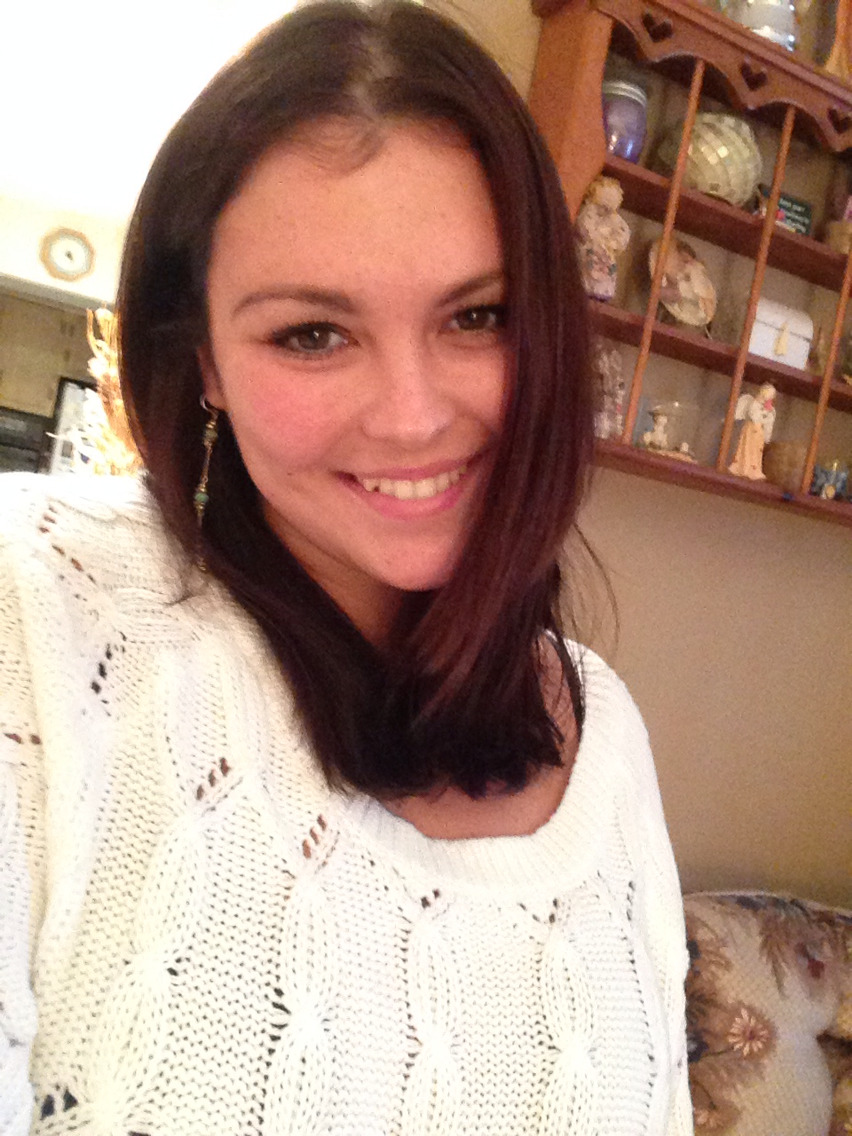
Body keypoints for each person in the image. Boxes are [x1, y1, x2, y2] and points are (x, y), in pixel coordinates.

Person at [0, 3, 692, 1132]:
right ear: (204, 360)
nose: (412, 417)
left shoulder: (603, 728)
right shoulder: (37, 608)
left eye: (479, 315)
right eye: (312, 334)